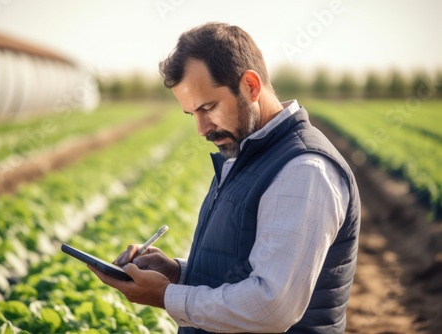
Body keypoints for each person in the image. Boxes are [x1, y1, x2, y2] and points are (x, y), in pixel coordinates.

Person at [89, 22, 360, 333]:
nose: (202, 129)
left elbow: (270, 305)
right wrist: (177, 273)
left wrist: (166, 296)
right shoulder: (246, 153)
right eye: (193, 114)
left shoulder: (303, 170)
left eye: (209, 107)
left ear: (250, 86)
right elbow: (240, 269)